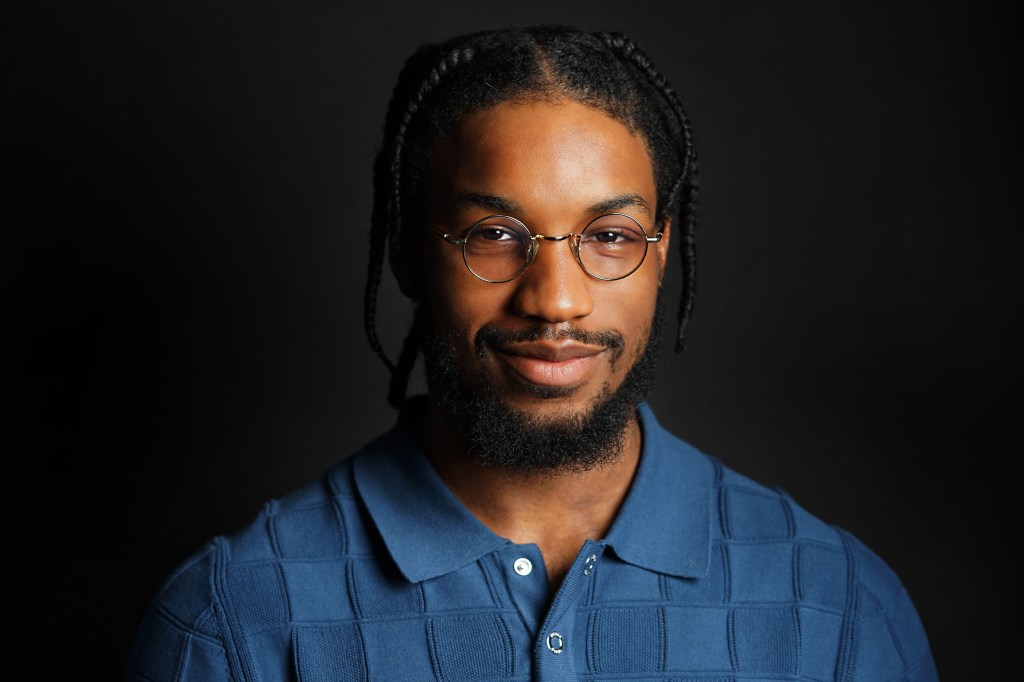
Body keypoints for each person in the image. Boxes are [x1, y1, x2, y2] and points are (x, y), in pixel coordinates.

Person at [125, 25, 938, 681]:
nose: (555, 299)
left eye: (610, 237)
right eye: (495, 236)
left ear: (660, 258)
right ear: (410, 255)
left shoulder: (837, 605)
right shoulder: (233, 622)